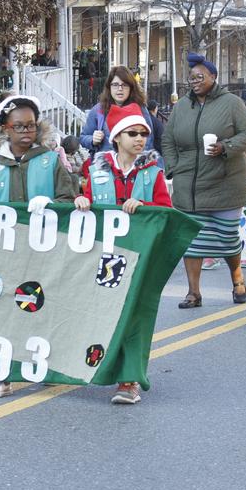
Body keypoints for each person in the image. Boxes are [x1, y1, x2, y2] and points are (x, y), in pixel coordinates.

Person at [0, 95, 77, 398]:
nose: (25, 131)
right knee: (4, 313)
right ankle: (1, 376)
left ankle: (46, 365)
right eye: (18, 126)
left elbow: (69, 199)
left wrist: (53, 204)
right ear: (5, 128)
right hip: (5, 250)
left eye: (30, 125)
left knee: (43, 309)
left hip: (44, 249)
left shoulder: (49, 159)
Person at [74, 102, 171, 405]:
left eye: (144, 133)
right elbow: (87, 198)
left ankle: (128, 381)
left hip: (139, 258)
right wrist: (81, 201)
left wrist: (145, 207)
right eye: (133, 133)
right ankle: (90, 368)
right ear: (116, 137)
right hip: (103, 258)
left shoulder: (152, 173)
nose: (140, 139)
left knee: (133, 318)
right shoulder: (96, 168)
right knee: (101, 316)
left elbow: (167, 213)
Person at [162, 52, 246, 309]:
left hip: (224, 182)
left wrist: (226, 147)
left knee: (227, 237)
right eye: (191, 77)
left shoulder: (232, 103)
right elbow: (168, 139)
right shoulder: (182, 106)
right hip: (188, 185)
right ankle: (194, 292)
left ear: (213, 77)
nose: (194, 81)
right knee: (191, 241)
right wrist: (173, 167)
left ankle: (237, 278)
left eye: (199, 76)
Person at [79, 66, 154, 155]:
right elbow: (83, 138)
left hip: (133, 164)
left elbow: (148, 139)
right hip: (106, 165)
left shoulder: (140, 109)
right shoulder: (98, 110)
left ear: (131, 87)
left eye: (124, 85)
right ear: (109, 87)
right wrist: (92, 140)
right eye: (115, 85)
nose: (120, 89)